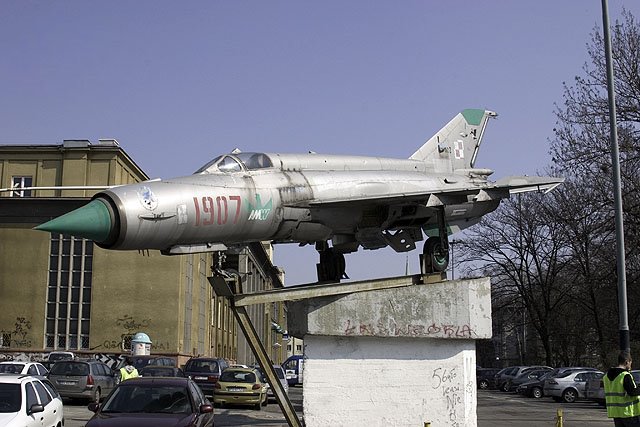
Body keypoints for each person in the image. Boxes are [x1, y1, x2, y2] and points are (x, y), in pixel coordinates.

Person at [604, 351, 640, 426]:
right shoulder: (625, 375)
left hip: (616, 413)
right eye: (630, 363)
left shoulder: (606, 377)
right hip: (629, 413)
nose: (630, 366)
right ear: (627, 362)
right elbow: (632, 392)